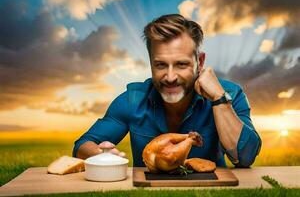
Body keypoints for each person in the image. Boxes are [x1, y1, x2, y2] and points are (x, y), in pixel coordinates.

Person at [73, 14, 261, 167]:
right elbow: (82, 145)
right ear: (151, 63)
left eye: (181, 64)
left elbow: (246, 157)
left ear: (200, 62)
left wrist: (219, 99)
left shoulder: (230, 94)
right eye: (161, 65)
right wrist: (100, 155)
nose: (170, 77)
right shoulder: (131, 100)